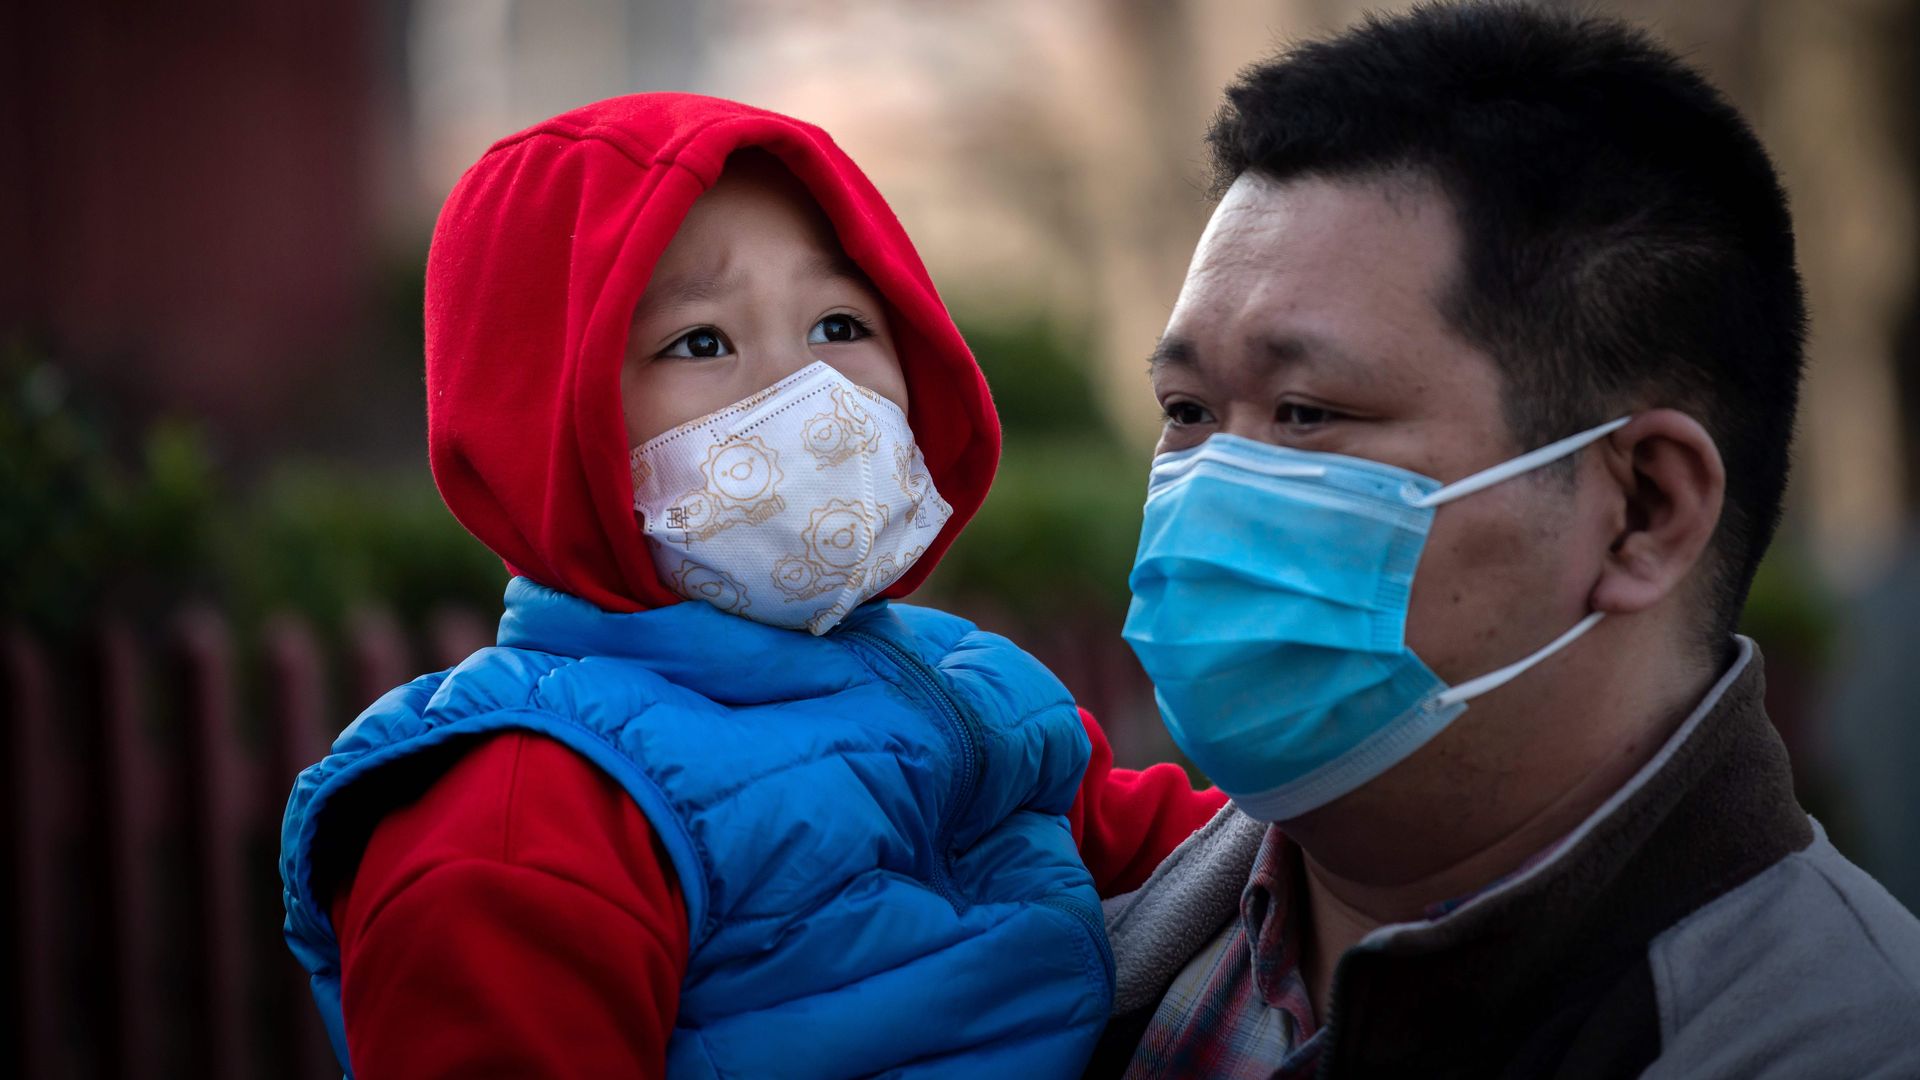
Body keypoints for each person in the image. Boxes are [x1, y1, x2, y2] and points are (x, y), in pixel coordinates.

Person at [278, 94, 1223, 1078]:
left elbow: (1219, 864)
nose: (805, 391)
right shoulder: (521, 815)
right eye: (701, 341)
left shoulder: (971, 684)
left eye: (841, 324)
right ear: (545, 421)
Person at [1096, 4, 1920, 1077]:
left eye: (1306, 413)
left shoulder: (1843, 1043)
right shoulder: (1063, 952)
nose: (1210, 491)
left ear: (1643, 512)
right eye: (1189, 411)